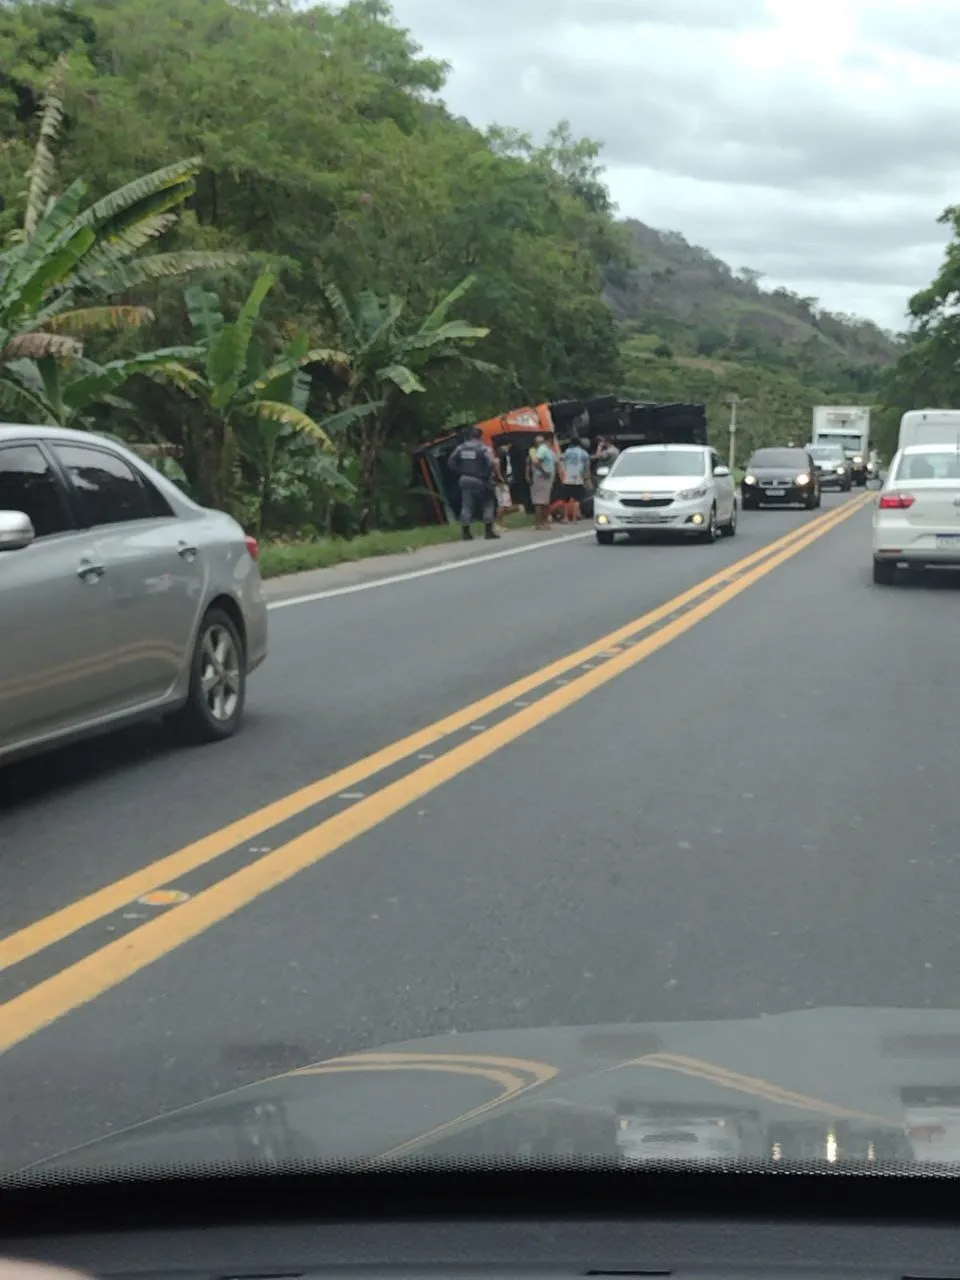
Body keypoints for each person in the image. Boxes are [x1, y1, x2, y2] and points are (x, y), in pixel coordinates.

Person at [447, 425, 498, 540]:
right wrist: (486, 473)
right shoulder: (484, 448)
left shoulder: (461, 448)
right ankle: (489, 531)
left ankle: (466, 533)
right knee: (488, 503)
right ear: (480, 436)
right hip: (481, 480)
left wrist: (459, 471)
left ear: (470, 436)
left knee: (467, 505)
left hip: (465, 479)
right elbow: (491, 462)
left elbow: (451, 461)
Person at [527, 433, 557, 531]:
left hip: (547, 479)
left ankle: (543, 522)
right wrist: (544, 472)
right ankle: (540, 523)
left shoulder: (548, 450)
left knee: (544, 502)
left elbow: (555, 461)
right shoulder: (543, 449)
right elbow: (536, 462)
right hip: (541, 478)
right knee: (540, 502)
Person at [561, 436, 591, 522]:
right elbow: (587, 467)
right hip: (578, 478)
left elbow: (561, 459)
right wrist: (587, 478)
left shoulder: (567, 451)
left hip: (568, 477)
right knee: (577, 499)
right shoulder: (584, 453)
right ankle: (575, 517)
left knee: (566, 500)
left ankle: (565, 518)